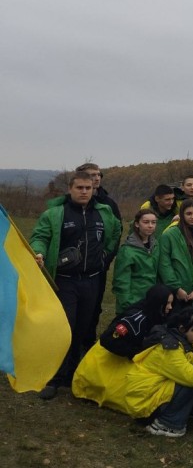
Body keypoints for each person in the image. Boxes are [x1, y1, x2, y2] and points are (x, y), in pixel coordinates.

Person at [30, 170, 122, 400]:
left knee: (83, 329)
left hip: (92, 280)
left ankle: (72, 375)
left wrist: (104, 259)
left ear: (94, 189)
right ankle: (53, 378)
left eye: (88, 188)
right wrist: (39, 251)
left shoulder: (104, 213)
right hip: (65, 281)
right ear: (70, 189)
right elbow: (40, 236)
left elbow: (113, 235)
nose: (84, 192)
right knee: (64, 330)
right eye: (79, 188)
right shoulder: (55, 214)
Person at [126, 307, 193, 437]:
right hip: (144, 403)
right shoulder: (169, 348)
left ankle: (170, 419)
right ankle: (165, 424)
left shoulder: (178, 339)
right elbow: (191, 376)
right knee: (192, 382)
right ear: (182, 328)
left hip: (150, 393)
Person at [71, 285, 174, 413]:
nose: (170, 307)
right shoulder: (134, 319)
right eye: (168, 303)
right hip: (111, 359)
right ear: (158, 303)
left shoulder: (157, 315)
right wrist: (135, 352)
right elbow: (108, 340)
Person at [77, 162, 123, 350]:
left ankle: (87, 345)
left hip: (98, 266)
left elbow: (116, 232)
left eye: (98, 174)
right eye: (91, 175)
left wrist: (105, 259)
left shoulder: (108, 203)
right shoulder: (70, 201)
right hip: (71, 267)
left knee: (94, 308)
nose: (96, 178)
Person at [158, 199, 193, 307]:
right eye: (188, 213)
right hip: (175, 295)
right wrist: (177, 288)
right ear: (181, 214)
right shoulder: (169, 235)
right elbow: (164, 265)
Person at [113, 208, 160, 314]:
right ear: (137, 224)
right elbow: (121, 281)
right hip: (132, 301)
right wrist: (128, 304)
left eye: (153, 222)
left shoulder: (156, 246)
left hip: (151, 300)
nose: (150, 226)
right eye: (146, 222)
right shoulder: (127, 250)